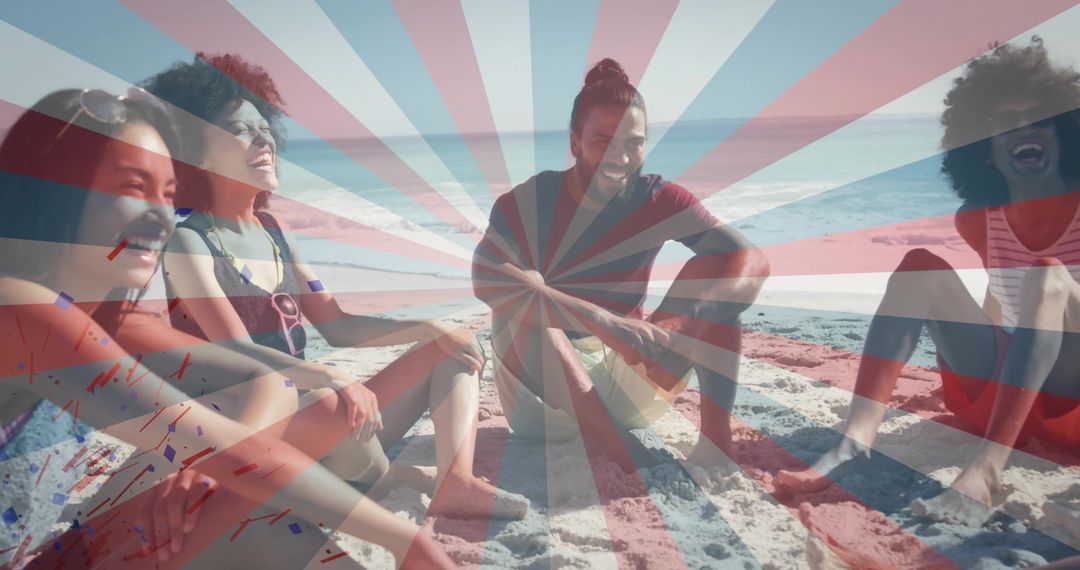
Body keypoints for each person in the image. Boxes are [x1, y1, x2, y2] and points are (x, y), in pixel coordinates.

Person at [0, 88, 455, 568]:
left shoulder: (110, 316)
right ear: (53, 189)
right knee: (241, 497)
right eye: (133, 188)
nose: (158, 215)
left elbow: (264, 381)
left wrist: (212, 470)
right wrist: (402, 538)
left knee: (248, 519)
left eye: (168, 194)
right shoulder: (19, 309)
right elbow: (222, 423)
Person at [142, 53, 528, 519]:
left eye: (265, 127)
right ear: (195, 153)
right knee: (332, 408)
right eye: (241, 129)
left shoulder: (272, 232)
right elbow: (238, 355)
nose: (263, 137)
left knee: (454, 347)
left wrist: (430, 328)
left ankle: (454, 482)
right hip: (245, 427)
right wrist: (328, 375)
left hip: (314, 417)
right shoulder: (189, 243)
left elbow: (338, 326)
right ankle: (381, 476)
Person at [776, 38, 1080, 528]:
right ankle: (854, 443)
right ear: (984, 148)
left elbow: (1044, 295)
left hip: (1073, 405)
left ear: (1064, 130)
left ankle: (986, 470)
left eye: (1040, 116)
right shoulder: (979, 220)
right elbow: (999, 303)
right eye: (1006, 122)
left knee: (1046, 276)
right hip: (1003, 404)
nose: (1025, 128)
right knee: (920, 263)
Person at [472, 58, 769, 473]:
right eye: (604, 141)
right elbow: (484, 276)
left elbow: (752, 260)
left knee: (716, 278)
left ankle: (716, 447)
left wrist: (681, 327)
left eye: (633, 142)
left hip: (630, 384)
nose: (622, 157)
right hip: (541, 399)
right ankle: (612, 445)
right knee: (522, 292)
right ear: (574, 142)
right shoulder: (530, 200)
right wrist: (603, 321)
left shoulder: (659, 199)